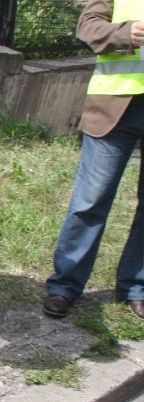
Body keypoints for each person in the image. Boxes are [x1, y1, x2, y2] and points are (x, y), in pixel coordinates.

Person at [42, 0, 144, 321]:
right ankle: (65, 286)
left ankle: (136, 287)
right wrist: (127, 33)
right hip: (114, 108)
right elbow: (88, 26)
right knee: (90, 200)